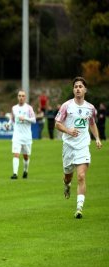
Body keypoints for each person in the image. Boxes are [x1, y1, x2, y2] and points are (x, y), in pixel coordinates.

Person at [55, 77, 102, 219]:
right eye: (75, 86)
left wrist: (97, 138)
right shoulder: (66, 106)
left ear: (85, 90)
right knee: (68, 176)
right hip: (68, 146)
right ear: (73, 90)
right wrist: (68, 130)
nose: (78, 89)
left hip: (83, 146)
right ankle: (67, 185)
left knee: (81, 176)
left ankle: (79, 208)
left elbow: (92, 123)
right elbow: (57, 123)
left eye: (80, 86)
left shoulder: (90, 108)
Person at [5, 90, 36, 179]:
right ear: (17, 97)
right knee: (16, 154)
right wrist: (8, 124)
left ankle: (25, 171)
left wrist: (25, 118)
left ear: (25, 97)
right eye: (19, 96)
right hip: (17, 136)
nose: (21, 97)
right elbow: (12, 119)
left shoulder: (29, 108)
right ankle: (15, 174)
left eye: (23, 96)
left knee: (25, 156)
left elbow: (34, 120)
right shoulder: (14, 108)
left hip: (26, 137)